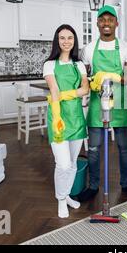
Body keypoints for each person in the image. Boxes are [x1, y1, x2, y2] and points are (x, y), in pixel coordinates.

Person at [79, 5, 127, 201]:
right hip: (98, 100)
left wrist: (112, 76)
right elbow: (84, 78)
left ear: (116, 23)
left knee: (124, 147)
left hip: (120, 101)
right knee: (94, 148)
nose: (106, 23)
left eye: (110, 19)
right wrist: (95, 80)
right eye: (102, 19)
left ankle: (126, 184)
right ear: (97, 23)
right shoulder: (88, 49)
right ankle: (93, 185)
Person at [43, 24, 89, 218]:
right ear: (57, 40)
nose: (66, 41)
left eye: (70, 38)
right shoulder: (49, 64)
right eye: (62, 38)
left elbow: (85, 89)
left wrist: (66, 94)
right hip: (59, 117)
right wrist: (57, 117)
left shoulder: (78, 64)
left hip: (77, 117)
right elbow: (53, 90)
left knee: (72, 163)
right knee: (62, 164)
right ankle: (61, 200)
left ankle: (67, 194)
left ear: (74, 41)